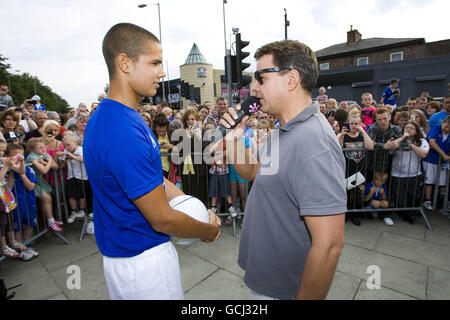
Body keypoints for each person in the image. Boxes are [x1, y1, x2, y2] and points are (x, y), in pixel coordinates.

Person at [83, 23, 220, 300]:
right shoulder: (120, 128)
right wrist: (207, 230)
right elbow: (162, 219)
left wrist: (196, 209)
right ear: (124, 63)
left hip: (135, 258)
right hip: (142, 263)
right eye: (155, 62)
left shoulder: (125, 117)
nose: (162, 72)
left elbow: (154, 179)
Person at [220, 39, 346, 300]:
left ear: (291, 80)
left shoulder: (314, 142)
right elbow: (253, 172)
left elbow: (329, 245)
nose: (254, 88)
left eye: (260, 78)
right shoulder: (284, 128)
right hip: (267, 277)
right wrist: (233, 140)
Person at [337, 114, 374, 226]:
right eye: (351, 123)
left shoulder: (362, 135)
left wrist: (363, 131)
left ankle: (355, 216)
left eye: (356, 124)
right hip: (346, 170)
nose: (353, 126)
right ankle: (345, 215)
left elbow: (370, 146)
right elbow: (337, 149)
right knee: (346, 195)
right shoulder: (343, 135)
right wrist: (341, 135)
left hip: (360, 170)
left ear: (360, 124)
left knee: (357, 195)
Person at [390, 121, 429, 224]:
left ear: (416, 131)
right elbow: (391, 147)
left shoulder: (422, 141)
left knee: (412, 197)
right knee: (400, 198)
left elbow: (423, 154)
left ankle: (410, 215)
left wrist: (412, 145)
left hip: (414, 174)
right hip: (397, 174)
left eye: (411, 128)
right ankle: (403, 214)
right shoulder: (399, 140)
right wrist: (403, 138)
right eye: (406, 127)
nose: (408, 129)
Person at [7, 143, 40, 259]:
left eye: (20, 155)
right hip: (16, 204)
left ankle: (27, 244)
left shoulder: (28, 169)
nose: (18, 157)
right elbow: (8, 189)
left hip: (29, 201)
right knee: (17, 226)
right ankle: (20, 249)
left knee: (29, 223)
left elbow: (31, 186)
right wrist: (11, 171)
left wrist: (21, 173)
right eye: (15, 155)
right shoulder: (6, 172)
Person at [25, 138, 63, 233]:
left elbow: (56, 166)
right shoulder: (32, 156)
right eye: (40, 147)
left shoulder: (43, 154)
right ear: (33, 149)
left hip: (40, 180)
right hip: (31, 181)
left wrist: (46, 162)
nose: (43, 149)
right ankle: (50, 222)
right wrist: (49, 161)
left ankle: (51, 220)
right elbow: (44, 170)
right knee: (45, 198)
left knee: (48, 198)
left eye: (44, 146)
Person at [422, 115, 450, 210]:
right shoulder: (436, 128)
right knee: (429, 180)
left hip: (443, 162)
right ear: (442, 123)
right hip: (430, 159)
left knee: (442, 182)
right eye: (445, 126)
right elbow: (432, 142)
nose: (446, 130)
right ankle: (427, 200)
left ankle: (443, 202)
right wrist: (443, 154)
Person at [61, 134, 90, 224]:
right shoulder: (66, 151)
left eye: (68, 145)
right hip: (71, 176)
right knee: (71, 195)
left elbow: (83, 159)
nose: (66, 147)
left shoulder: (80, 150)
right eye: (65, 145)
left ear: (75, 142)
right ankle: (74, 211)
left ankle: (82, 210)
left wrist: (72, 156)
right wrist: (59, 156)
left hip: (82, 176)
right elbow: (62, 162)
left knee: (82, 194)